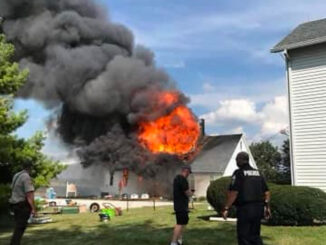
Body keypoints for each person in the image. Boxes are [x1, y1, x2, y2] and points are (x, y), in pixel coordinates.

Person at [222, 152, 271, 245]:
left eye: (237, 160)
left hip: (245, 209)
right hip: (258, 208)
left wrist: (226, 208)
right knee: (255, 235)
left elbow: (234, 193)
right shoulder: (258, 173)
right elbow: (267, 192)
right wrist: (267, 207)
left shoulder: (238, 173)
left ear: (240, 160)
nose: (236, 162)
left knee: (244, 236)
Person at [9, 160, 36, 245]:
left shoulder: (16, 175)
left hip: (14, 204)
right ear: (30, 168)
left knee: (18, 226)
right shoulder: (26, 177)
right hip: (22, 205)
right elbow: (29, 194)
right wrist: (33, 208)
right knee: (20, 228)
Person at [170, 165, 194, 245]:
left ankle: (179, 240)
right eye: (189, 173)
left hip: (178, 204)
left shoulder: (177, 178)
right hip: (181, 205)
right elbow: (187, 192)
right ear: (186, 171)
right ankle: (173, 242)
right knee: (180, 223)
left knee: (183, 222)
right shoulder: (182, 179)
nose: (188, 175)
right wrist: (191, 193)